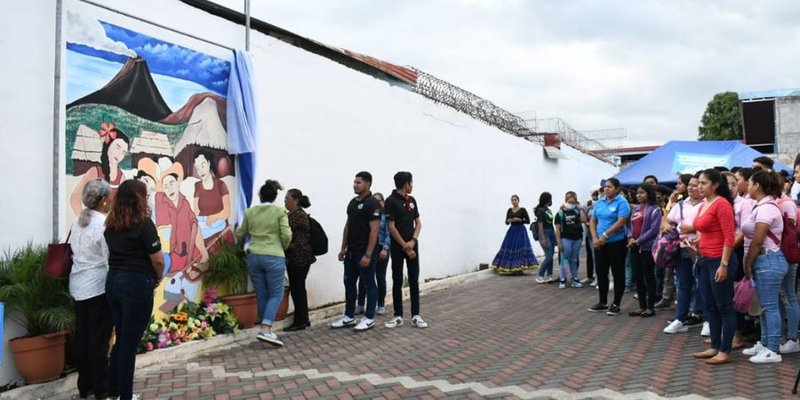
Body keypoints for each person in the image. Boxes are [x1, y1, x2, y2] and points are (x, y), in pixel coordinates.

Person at [104, 180, 165, 400]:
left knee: (121, 339)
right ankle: (126, 397)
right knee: (129, 344)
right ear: (139, 199)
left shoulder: (111, 225)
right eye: (145, 196)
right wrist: (158, 277)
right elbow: (157, 261)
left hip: (114, 283)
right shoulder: (144, 224)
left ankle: (114, 391)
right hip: (137, 285)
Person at [740, 169, 791, 363]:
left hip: (768, 260)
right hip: (766, 260)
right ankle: (765, 342)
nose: (748, 187)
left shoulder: (767, 208)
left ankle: (773, 348)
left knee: (770, 306)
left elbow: (758, 240)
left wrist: (748, 262)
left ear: (757, 186)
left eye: (750, 183)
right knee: (764, 306)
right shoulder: (760, 206)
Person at [69, 179, 113, 400]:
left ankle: (84, 386)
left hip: (77, 286)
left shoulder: (78, 222)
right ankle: (101, 388)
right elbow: (108, 260)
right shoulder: (103, 224)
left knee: (83, 339)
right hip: (97, 288)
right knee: (98, 341)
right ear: (103, 200)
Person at [236, 180, 291, 345]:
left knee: (262, 293)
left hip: (254, 255)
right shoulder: (280, 211)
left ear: (260, 196)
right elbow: (286, 235)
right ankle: (266, 329)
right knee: (276, 293)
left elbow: (240, 232)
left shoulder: (250, 212)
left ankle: (265, 327)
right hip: (273, 255)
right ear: (275, 196)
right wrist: (282, 247)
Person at [690, 169, 736, 365]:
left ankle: (725, 350)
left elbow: (729, 237)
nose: (699, 186)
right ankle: (715, 346)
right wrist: (697, 241)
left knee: (724, 306)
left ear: (715, 184)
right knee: (710, 306)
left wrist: (724, 265)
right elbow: (706, 230)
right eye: (698, 182)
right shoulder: (704, 204)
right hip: (704, 260)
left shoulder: (722, 204)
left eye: (703, 183)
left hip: (719, 261)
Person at [331, 172, 381, 331]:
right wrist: (343, 247)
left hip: (365, 251)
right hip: (351, 252)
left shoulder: (373, 204)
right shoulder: (352, 203)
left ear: (367, 184)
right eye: (354, 182)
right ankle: (349, 316)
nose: (355, 184)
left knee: (368, 283)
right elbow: (348, 226)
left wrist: (368, 254)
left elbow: (374, 231)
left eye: (358, 182)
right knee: (349, 282)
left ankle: (369, 318)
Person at [385, 171, 428, 329]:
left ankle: (416, 315)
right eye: (411, 183)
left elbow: (418, 223)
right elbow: (391, 226)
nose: (412, 186)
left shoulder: (412, 200)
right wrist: (405, 246)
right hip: (398, 246)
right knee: (397, 280)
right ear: (406, 184)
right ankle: (398, 316)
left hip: (412, 244)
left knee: (413, 280)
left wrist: (413, 241)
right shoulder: (390, 201)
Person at [664, 174, 706, 334]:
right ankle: (680, 318)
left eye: (696, 185)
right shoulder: (680, 205)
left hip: (701, 249)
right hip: (682, 248)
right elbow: (667, 220)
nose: (691, 187)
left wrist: (692, 229)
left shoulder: (707, 204)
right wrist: (667, 225)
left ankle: (704, 317)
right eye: (690, 185)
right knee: (683, 284)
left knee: (702, 284)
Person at [588, 178, 631, 315]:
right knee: (601, 272)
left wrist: (604, 236)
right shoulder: (600, 202)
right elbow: (593, 220)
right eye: (605, 187)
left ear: (617, 188)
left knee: (617, 273)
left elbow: (621, 221)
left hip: (616, 243)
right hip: (599, 243)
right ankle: (602, 301)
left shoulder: (622, 202)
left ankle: (616, 303)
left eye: (610, 187)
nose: (607, 189)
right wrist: (595, 238)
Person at [70, 125, 129, 216]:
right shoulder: (95, 172)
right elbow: (75, 197)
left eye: (123, 152)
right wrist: (84, 220)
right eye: (117, 147)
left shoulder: (121, 177)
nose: (119, 154)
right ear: (108, 145)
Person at [626, 184, 662, 317]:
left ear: (649, 193)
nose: (639, 195)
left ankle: (650, 307)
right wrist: (630, 237)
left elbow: (653, 230)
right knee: (638, 277)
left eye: (642, 193)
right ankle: (641, 306)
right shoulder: (636, 209)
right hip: (634, 247)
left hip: (646, 248)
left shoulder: (655, 210)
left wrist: (639, 240)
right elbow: (629, 225)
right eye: (637, 193)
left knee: (649, 277)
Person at [283, 188, 316, 332]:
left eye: (287, 198)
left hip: (298, 257)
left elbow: (285, 233)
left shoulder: (296, 216)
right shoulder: (298, 214)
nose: (285, 201)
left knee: (297, 289)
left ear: (295, 200)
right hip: (301, 256)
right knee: (299, 288)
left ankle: (300, 320)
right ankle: (304, 318)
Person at [357, 192, 391, 315]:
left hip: (382, 247)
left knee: (380, 277)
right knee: (363, 278)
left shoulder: (386, 217)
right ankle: (360, 304)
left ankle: (380, 304)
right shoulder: (369, 215)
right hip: (369, 249)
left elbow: (389, 233)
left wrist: (385, 248)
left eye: (379, 201)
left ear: (383, 202)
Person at [490, 194, 538, 274]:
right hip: (512, 231)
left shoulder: (522, 210)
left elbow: (528, 221)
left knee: (519, 247)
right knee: (509, 247)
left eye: (515, 200)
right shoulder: (509, 210)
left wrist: (519, 220)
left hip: (520, 230)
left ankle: (520, 268)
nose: (514, 201)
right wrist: (509, 221)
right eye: (512, 200)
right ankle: (511, 267)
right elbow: (506, 222)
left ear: (518, 200)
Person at [193, 149, 231, 239]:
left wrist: (214, 217)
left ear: (209, 163)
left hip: (220, 230)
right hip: (204, 228)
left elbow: (227, 212)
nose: (200, 171)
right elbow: (196, 211)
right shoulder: (197, 186)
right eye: (197, 168)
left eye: (203, 165)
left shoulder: (221, 185)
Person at [555, 193, 585, 288]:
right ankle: (562, 279)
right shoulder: (560, 213)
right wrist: (559, 242)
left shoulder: (576, 211)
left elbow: (584, 220)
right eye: (569, 202)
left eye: (573, 202)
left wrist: (580, 208)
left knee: (574, 260)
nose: (571, 203)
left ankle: (575, 278)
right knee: (564, 259)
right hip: (566, 239)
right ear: (565, 201)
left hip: (576, 239)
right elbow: (558, 229)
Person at [534, 192, 556, 284]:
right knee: (549, 255)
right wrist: (542, 238)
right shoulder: (541, 210)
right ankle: (540, 275)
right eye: (550, 198)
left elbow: (551, 223)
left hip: (551, 232)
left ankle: (550, 275)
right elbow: (540, 224)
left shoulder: (547, 209)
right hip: (545, 233)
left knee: (551, 255)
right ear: (547, 199)